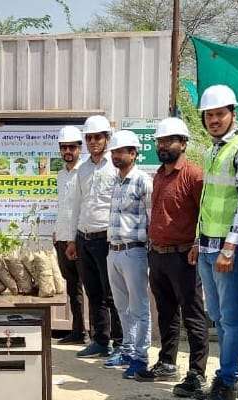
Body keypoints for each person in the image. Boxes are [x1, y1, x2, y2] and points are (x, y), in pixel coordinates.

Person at [195, 84, 238, 400]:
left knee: (232, 317)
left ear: (233, 114)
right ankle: (225, 376)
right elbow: (209, 200)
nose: (214, 119)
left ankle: (230, 379)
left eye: (220, 114)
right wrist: (199, 240)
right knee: (219, 317)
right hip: (208, 246)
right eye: (209, 115)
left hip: (226, 250)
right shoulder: (211, 151)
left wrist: (231, 246)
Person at [135, 117, 209, 399]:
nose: (163, 146)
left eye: (169, 141)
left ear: (183, 143)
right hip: (159, 255)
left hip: (184, 257)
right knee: (166, 312)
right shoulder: (159, 174)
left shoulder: (194, 175)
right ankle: (167, 362)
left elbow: (205, 213)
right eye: (160, 142)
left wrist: (198, 243)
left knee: (192, 314)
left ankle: (197, 373)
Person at [65, 115, 125, 361]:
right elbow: (77, 205)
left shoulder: (115, 167)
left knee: (113, 293)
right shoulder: (84, 169)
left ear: (107, 139)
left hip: (106, 239)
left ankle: (121, 343)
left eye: (97, 137)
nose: (92, 142)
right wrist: (71, 239)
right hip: (84, 238)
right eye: (88, 138)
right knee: (94, 293)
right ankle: (100, 341)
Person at [102, 130, 154, 379]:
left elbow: (152, 218)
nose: (116, 156)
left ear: (133, 153)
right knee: (122, 307)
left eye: (121, 151)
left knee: (139, 308)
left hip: (134, 251)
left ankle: (141, 358)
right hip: (113, 251)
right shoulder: (115, 181)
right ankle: (128, 350)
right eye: (113, 152)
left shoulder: (143, 181)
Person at [54, 125, 88, 345]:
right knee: (72, 287)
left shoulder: (84, 173)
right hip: (62, 238)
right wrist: (57, 233)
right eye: (64, 147)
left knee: (92, 289)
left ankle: (101, 336)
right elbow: (64, 207)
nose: (68, 151)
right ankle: (78, 331)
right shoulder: (61, 175)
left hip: (80, 240)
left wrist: (74, 239)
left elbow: (83, 209)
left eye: (72, 147)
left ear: (79, 148)